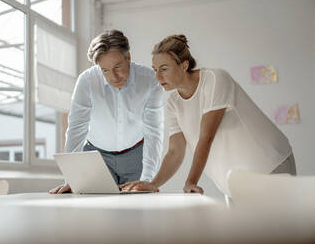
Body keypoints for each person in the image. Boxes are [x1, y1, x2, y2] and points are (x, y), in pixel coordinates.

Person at [120, 34, 296, 197]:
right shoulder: (173, 102)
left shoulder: (214, 79)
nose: (157, 76)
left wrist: (191, 181)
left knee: (279, 231)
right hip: (233, 184)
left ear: (184, 65)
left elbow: (206, 136)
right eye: (155, 69)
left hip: (269, 166)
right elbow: (175, 151)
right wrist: (153, 184)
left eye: (164, 69)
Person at [49, 30, 164, 194]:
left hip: (136, 155)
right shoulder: (87, 81)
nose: (113, 76)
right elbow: (76, 128)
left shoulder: (150, 80)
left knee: (137, 210)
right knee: (95, 211)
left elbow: (154, 131)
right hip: (97, 157)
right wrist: (71, 179)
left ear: (128, 58)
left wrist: (147, 179)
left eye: (117, 67)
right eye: (105, 70)